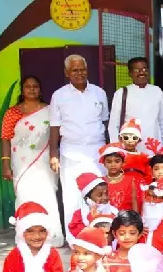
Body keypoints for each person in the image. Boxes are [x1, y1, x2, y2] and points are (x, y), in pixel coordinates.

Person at [49, 55, 110, 237]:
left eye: (82, 69)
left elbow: (105, 121)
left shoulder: (99, 92)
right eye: (74, 70)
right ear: (67, 73)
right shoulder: (59, 95)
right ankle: (74, 238)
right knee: (72, 196)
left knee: (100, 194)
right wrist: (54, 154)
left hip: (97, 150)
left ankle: (101, 235)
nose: (79, 73)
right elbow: (54, 126)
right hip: (71, 151)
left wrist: (108, 150)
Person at [1, 75, 64, 247]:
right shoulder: (13, 113)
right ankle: (26, 235)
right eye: (28, 86)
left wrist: (54, 156)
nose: (31, 89)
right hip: (21, 163)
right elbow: (5, 139)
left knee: (46, 195)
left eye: (35, 86)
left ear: (40, 90)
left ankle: (51, 236)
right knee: (24, 195)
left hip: (45, 161)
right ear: (22, 90)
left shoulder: (50, 110)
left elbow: (56, 135)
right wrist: (5, 164)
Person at [108, 57, 163, 146]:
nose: (141, 73)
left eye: (144, 69)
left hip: (155, 146)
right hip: (130, 147)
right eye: (137, 70)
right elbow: (114, 124)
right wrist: (117, 147)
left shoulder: (157, 91)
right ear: (130, 73)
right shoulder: (121, 93)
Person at [68, 173, 118, 242]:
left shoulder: (114, 211)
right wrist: (92, 219)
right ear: (88, 198)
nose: (105, 197)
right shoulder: (80, 215)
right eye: (99, 195)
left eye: (106, 194)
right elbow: (80, 235)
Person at [99, 145, 139, 212]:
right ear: (104, 164)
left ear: (123, 163)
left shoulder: (130, 180)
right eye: (109, 162)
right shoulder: (100, 181)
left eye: (117, 161)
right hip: (107, 216)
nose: (113, 165)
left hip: (126, 217)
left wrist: (136, 217)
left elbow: (134, 202)